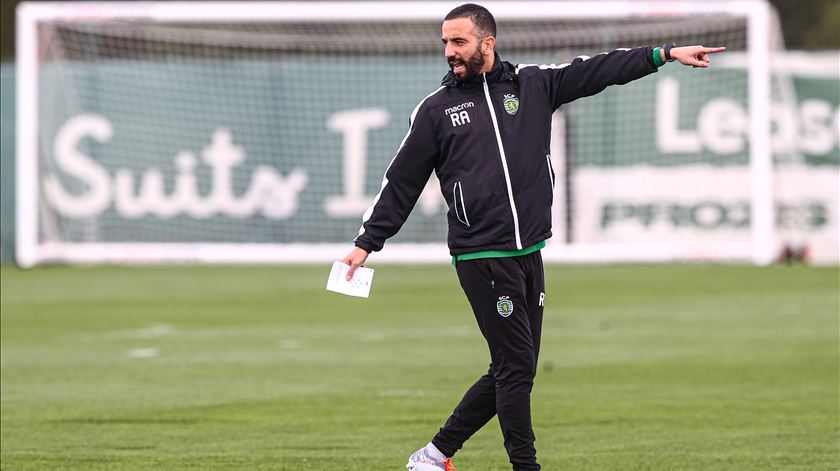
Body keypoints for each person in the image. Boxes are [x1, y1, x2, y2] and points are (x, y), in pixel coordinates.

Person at [342, 4, 725, 470]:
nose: (449, 52)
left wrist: (663, 54)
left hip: (529, 252)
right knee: (516, 369)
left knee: (511, 369)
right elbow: (400, 182)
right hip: (481, 256)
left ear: (488, 42)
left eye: (459, 41)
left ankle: (433, 455)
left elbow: (598, 71)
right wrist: (367, 243)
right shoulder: (435, 110)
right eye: (445, 42)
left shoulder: (533, 83)